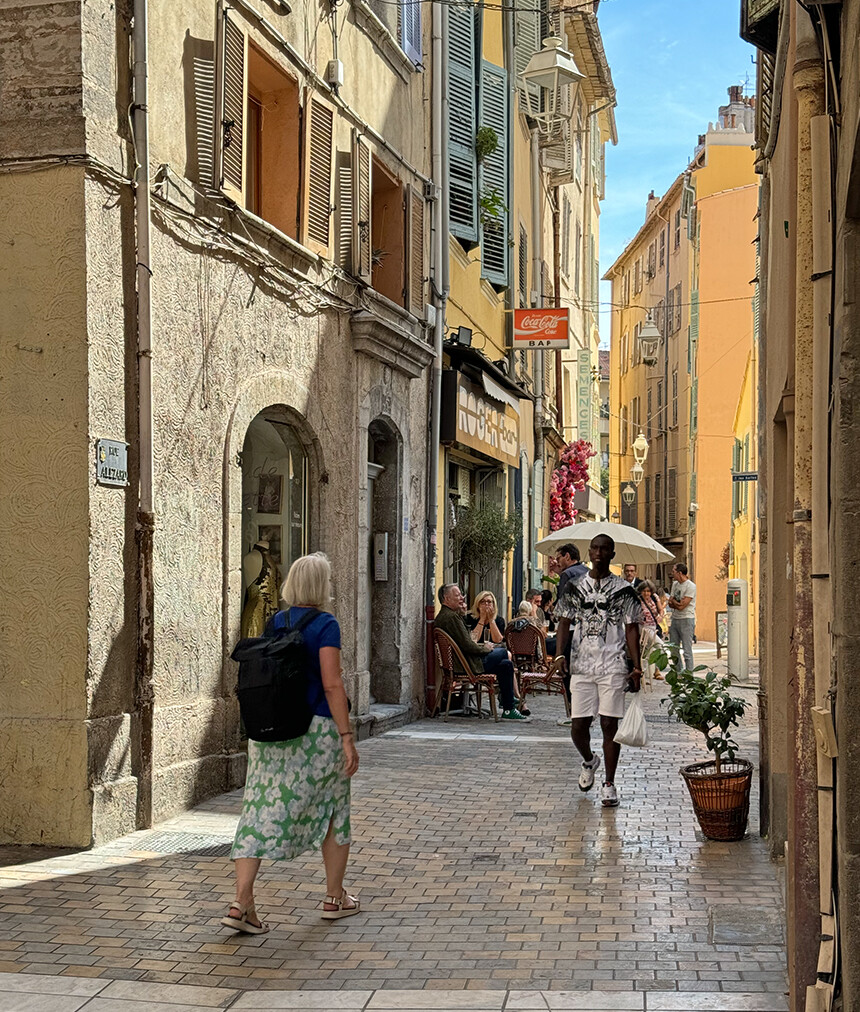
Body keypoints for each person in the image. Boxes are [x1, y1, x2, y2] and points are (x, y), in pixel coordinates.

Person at [223, 552, 360, 935]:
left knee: (258, 809)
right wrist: (347, 737)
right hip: (316, 732)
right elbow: (332, 684)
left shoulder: (275, 622)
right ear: (322, 585)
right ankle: (335, 897)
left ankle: (242, 902)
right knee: (334, 808)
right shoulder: (326, 625)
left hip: (272, 732)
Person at [555, 534, 642, 808]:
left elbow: (631, 629)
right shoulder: (573, 586)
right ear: (589, 552)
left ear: (612, 554)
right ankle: (589, 760)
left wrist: (636, 666)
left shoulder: (625, 589)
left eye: (605, 549)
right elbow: (564, 621)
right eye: (595, 548)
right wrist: (559, 653)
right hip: (581, 664)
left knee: (608, 725)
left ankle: (609, 783)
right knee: (578, 725)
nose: (600, 553)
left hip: (613, 664)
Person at [435, 584, 530, 721]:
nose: (462, 598)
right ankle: (509, 700)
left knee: (506, 665)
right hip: (468, 664)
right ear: (446, 598)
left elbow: (478, 641)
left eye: (461, 594)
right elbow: (468, 645)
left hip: (465, 661)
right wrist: (486, 649)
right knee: (503, 652)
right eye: (458, 595)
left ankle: (508, 708)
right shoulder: (451, 617)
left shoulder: (448, 616)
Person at [667, 562, 697, 671]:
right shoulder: (675, 584)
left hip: (687, 619)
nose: (672, 574)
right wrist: (676, 602)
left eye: (674, 572)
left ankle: (689, 674)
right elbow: (670, 603)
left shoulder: (691, 586)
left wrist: (675, 602)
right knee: (673, 649)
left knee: (687, 650)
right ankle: (678, 672)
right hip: (675, 619)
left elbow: (682, 606)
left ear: (680, 573)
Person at [638, 579, 664, 682]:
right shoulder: (637, 600)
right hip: (644, 628)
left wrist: (660, 616)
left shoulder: (654, 597)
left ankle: (646, 675)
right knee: (659, 645)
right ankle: (649, 673)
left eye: (648, 591)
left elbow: (660, 609)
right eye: (644, 591)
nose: (646, 593)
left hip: (653, 627)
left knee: (647, 652)